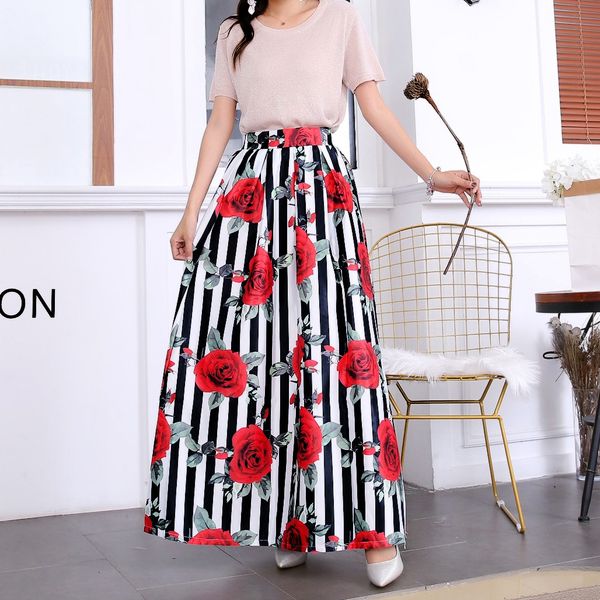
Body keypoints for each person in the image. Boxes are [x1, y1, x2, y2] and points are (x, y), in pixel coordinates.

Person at [143, 0, 482, 589]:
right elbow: (219, 124)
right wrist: (190, 213)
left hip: (323, 194)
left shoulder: (341, 19)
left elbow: (373, 106)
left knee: (338, 352)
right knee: (258, 356)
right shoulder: (234, 33)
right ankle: (286, 522)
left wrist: (432, 174)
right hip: (251, 199)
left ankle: (374, 534)